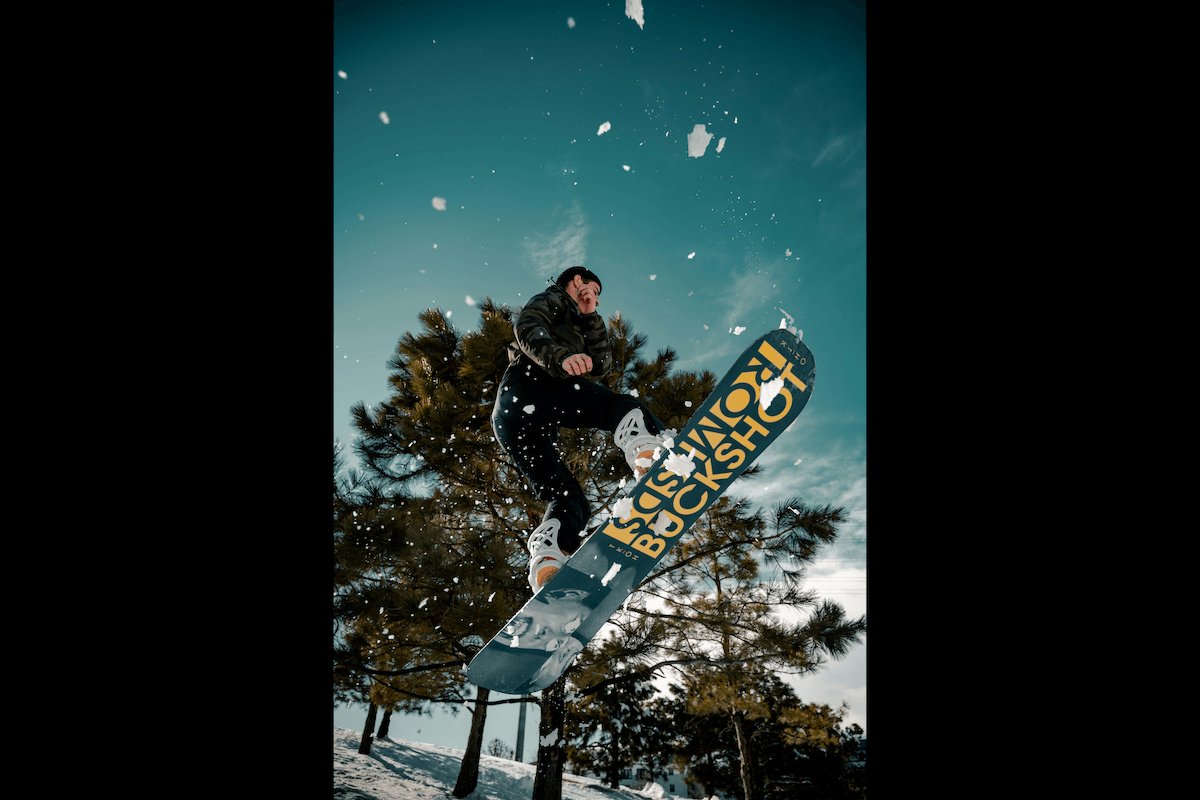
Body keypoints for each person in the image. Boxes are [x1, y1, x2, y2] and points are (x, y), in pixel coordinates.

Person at [492, 266, 673, 593]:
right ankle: (650, 455)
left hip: (515, 419)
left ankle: (548, 558)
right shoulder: (555, 299)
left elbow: (602, 365)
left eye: (598, 297)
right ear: (576, 282)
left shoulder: (584, 317)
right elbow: (528, 324)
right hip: (532, 382)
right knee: (620, 408)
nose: (595, 299)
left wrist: (590, 316)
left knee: (569, 499)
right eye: (591, 290)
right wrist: (558, 358)